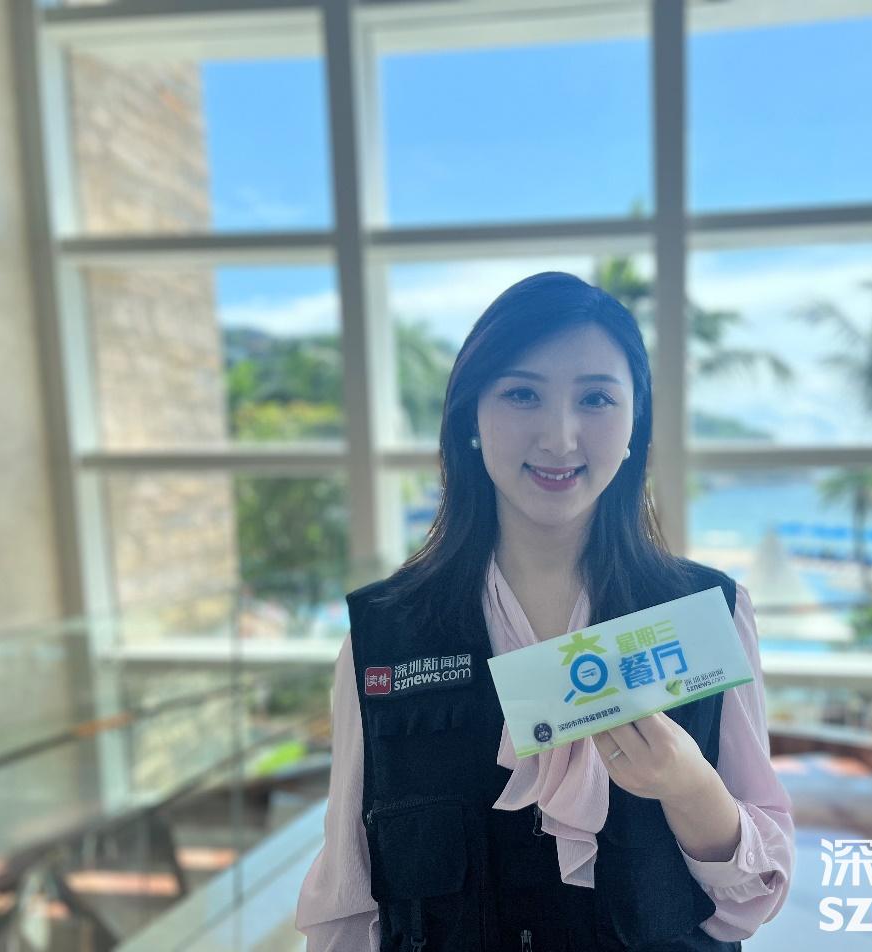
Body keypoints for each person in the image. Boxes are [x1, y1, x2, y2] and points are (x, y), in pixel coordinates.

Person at [295, 272, 794, 951]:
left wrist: (686, 785)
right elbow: (349, 903)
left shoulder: (708, 614)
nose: (559, 438)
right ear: (472, 417)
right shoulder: (383, 638)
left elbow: (754, 894)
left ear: (635, 424)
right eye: (522, 394)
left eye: (595, 398)